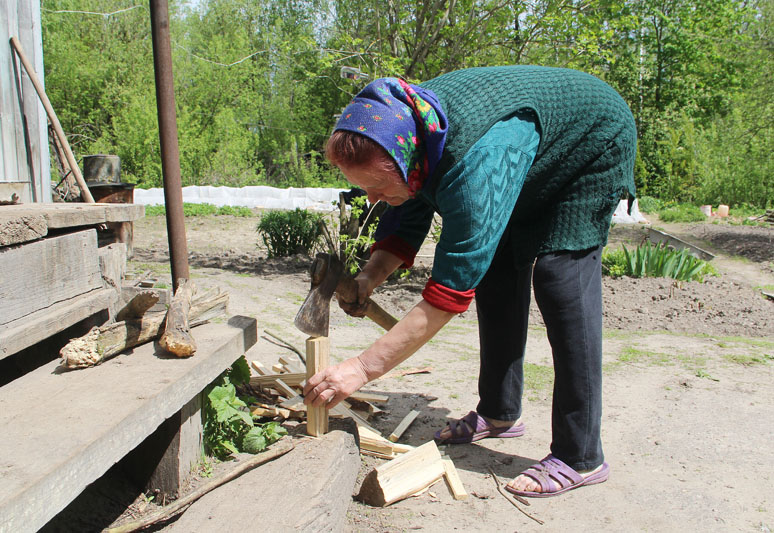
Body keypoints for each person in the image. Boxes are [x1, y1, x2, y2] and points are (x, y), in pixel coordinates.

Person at [303, 65, 636, 498]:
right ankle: (499, 413)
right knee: (496, 272)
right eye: (366, 190)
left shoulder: (476, 164)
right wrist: (368, 277)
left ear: (407, 163)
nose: (372, 200)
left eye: (378, 189)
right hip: (523, 155)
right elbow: (408, 214)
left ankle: (581, 455)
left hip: (589, 142)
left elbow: (448, 293)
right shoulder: (408, 133)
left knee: (560, 280)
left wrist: (361, 368)